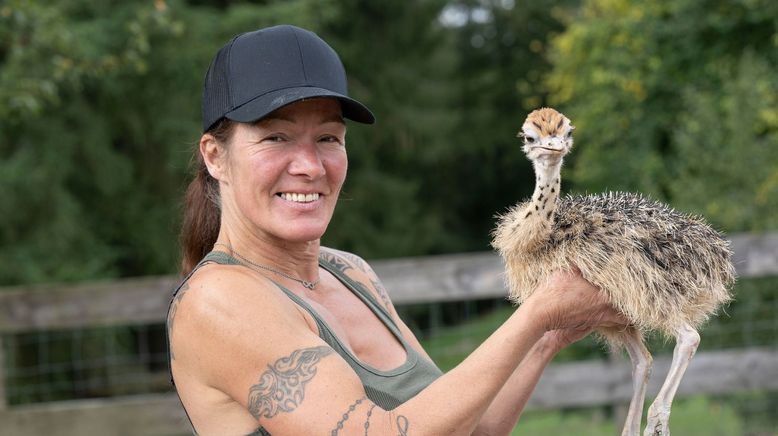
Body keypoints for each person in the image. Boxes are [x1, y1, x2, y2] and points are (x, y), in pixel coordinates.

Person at [167, 24, 628, 436]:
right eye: (276, 138)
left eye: (328, 138)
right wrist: (537, 313)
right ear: (214, 156)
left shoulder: (351, 274)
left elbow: (471, 430)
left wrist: (548, 336)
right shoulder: (219, 301)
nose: (309, 166)